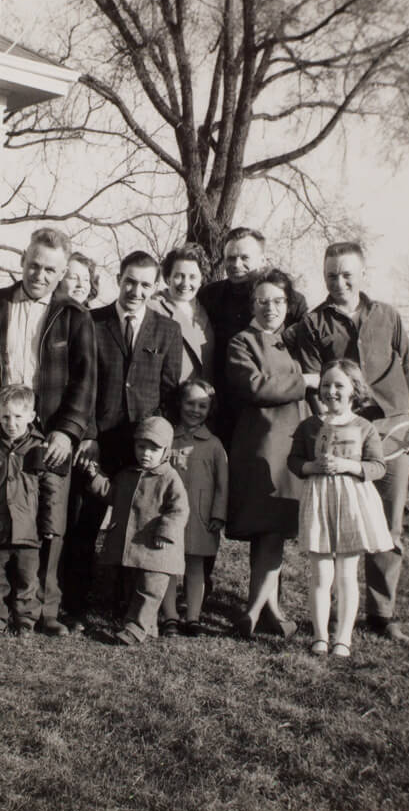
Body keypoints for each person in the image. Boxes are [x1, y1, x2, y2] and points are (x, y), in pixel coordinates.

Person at [293, 241, 409, 643]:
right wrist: (328, 436)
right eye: (331, 275)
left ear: (363, 274)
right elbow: (312, 387)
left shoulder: (388, 315)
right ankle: (332, 620)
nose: (340, 282)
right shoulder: (313, 324)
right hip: (341, 441)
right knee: (344, 526)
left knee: (388, 528)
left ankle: (382, 613)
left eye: (347, 274)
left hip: (392, 433)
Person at [0, 228, 96, 636]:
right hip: (2, 431)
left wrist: (67, 432)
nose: (39, 275)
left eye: (49, 270)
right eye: (33, 265)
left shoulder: (74, 316)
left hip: (47, 437)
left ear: (62, 272)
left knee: (49, 521)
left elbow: (85, 382)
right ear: (22, 260)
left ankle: (44, 610)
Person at [63, 250, 183, 624]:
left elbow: (168, 396)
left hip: (142, 449)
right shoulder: (92, 322)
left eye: (146, 284)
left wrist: (156, 444)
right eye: (130, 281)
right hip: (97, 443)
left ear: (154, 287)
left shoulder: (167, 330)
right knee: (84, 525)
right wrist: (90, 434)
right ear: (119, 279)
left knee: (137, 527)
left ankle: (123, 608)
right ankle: (75, 606)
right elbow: (81, 383)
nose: (136, 290)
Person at [226, 269, 314, 640]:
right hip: (262, 443)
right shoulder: (242, 342)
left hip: (296, 441)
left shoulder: (295, 340)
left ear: (289, 303)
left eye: (278, 301)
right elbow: (255, 386)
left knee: (276, 529)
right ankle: (259, 609)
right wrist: (305, 382)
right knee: (268, 526)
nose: (271, 308)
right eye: (262, 301)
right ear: (252, 304)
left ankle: (265, 608)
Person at [288, 359, 393, 658]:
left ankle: (342, 638)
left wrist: (348, 465)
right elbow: (293, 461)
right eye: (326, 385)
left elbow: (378, 467)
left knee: (347, 574)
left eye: (339, 385)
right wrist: (311, 466)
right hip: (319, 499)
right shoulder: (308, 426)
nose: (331, 391)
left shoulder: (364, 427)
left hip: (352, 502)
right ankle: (321, 636)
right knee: (320, 574)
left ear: (354, 390)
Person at [0, 385, 66, 637]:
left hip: (28, 531)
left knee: (27, 580)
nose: (12, 423)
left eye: (18, 417)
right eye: (6, 416)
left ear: (31, 416)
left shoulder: (39, 447)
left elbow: (50, 490)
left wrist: (50, 525)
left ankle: (25, 621)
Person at [81, 416, 189, 646]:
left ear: (166, 451)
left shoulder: (170, 478)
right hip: (137, 545)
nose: (146, 453)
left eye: (154, 449)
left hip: (159, 547)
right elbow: (112, 494)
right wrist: (95, 477)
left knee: (150, 590)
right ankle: (148, 627)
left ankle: (135, 629)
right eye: (141, 446)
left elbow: (179, 509)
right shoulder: (128, 475)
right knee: (135, 587)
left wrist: (165, 532)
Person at [197, 227, 307, 444]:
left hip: (275, 404)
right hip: (224, 404)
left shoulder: (291, 299)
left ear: (262, 259)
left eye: (244, 257)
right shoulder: (210, 296)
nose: (236, 265)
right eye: (230, 258)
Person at [157, 379, 228, 637]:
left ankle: (193, 617)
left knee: (195, 566)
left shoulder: (214, 444)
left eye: (202, 405)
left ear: (210, 408)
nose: (195, 410)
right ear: (179, 403)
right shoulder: (168, 438)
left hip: (200, 515)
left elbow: (223, 483)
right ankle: (170, 616)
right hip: (169, 514)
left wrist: (219, 514)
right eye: (190, 403)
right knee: (166, 564)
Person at [148, 242, 214, 383]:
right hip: (169, 398)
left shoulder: (205, 311)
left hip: (202, 400)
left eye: (192, 277)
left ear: (201, 280)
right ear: (167, 278)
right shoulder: (153, 308)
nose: (185, 283)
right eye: (179, 276)